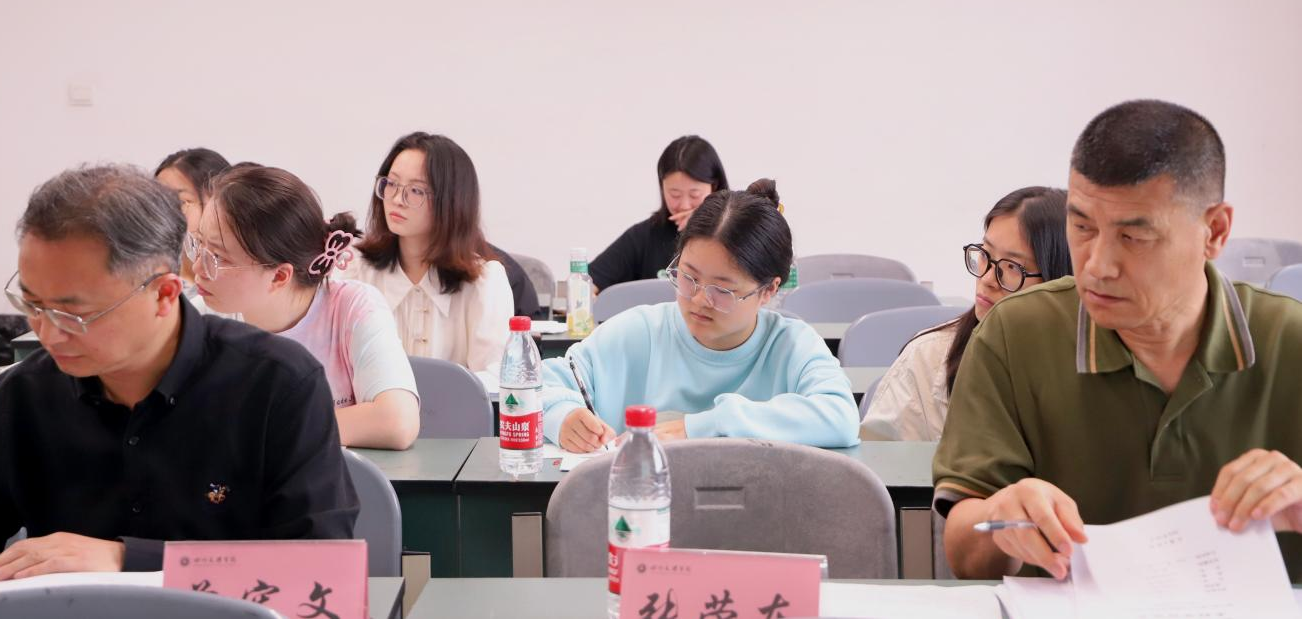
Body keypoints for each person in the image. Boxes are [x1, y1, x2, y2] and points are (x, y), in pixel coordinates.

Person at [935, 100, 1302, 582]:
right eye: (1082, 227)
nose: (1097, 265)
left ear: (1214, 231)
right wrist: (998, 518)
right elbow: (965, 554)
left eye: (1134, 237)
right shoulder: (1015, 333)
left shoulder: (1290, 341)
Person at [0, 165, 357, 577]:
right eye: (33, 305)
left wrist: (128, 560)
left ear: (164, 294)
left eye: (74, 314)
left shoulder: (277, 384)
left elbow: (320, 571)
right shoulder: (22, 396)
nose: (48, 334)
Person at [544, 179, 859, 452]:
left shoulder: (791, 345)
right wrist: (562, 415)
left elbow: (840, 418)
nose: (698, 300)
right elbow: (537, 384)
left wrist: (705, 426)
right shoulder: (637, 333)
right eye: (688, 277)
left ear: (768, 290)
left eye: (721, 290)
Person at [192, 164, 420, 450]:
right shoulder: (203, 318)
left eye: (217, 257)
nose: (197, 267)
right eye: (198, 245)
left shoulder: (352, 308)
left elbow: (397, 422)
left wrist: (261, 430)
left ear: (279, 276)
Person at [860, 187, 1070, 441]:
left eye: (1012, 267)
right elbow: (881, 462)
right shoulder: (927, 358)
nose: (988, 278)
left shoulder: (1088, 369)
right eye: (985, 255)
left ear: (1059, 279)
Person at [341, 132, 514, 384]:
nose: (396, 200)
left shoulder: (485, 283)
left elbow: (495, 381)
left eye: (416, 190)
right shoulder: (354, 270)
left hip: (455, 410)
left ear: (451, 201)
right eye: (391, 184)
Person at [589, 135, 728, 293]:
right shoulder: (643, 236)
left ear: (714, 187)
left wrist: (706, 222)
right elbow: (586, 283)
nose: (684, 205)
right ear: (662, 188)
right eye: (675, 194)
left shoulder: (738, 235)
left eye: (694, 194)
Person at [153, 147, 230, 312]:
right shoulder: (146, 280)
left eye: (180, 201)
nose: (162, 211)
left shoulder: (239, 282)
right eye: (157, 200)